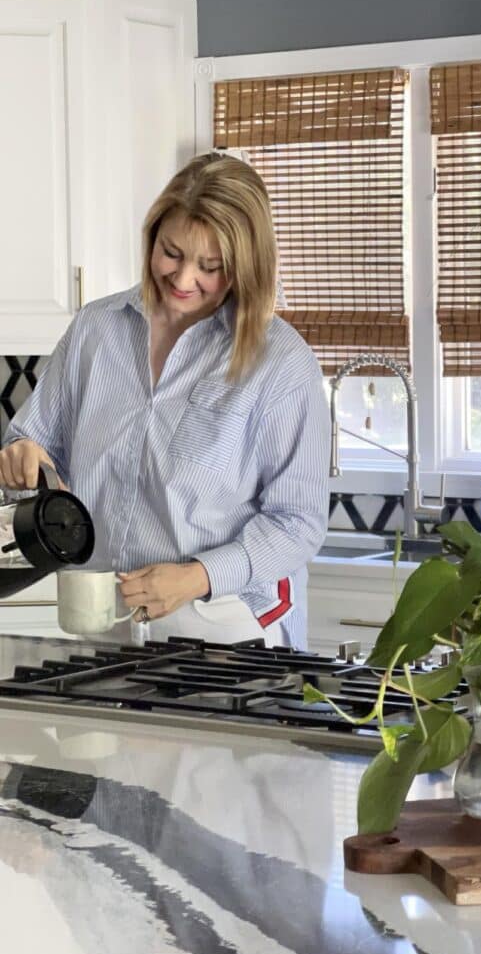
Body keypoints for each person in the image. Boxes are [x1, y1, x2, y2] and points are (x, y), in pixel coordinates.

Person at [0, 154, 330, 648]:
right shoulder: (96, 329)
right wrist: (23, 456)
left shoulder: (280, 362)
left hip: (222, 620)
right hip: (98, 613)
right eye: (171, 252)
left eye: (210, 266)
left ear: (245, 266)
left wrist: (197, 575)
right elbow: (36, 443)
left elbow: (298, 523)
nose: (182, 279)